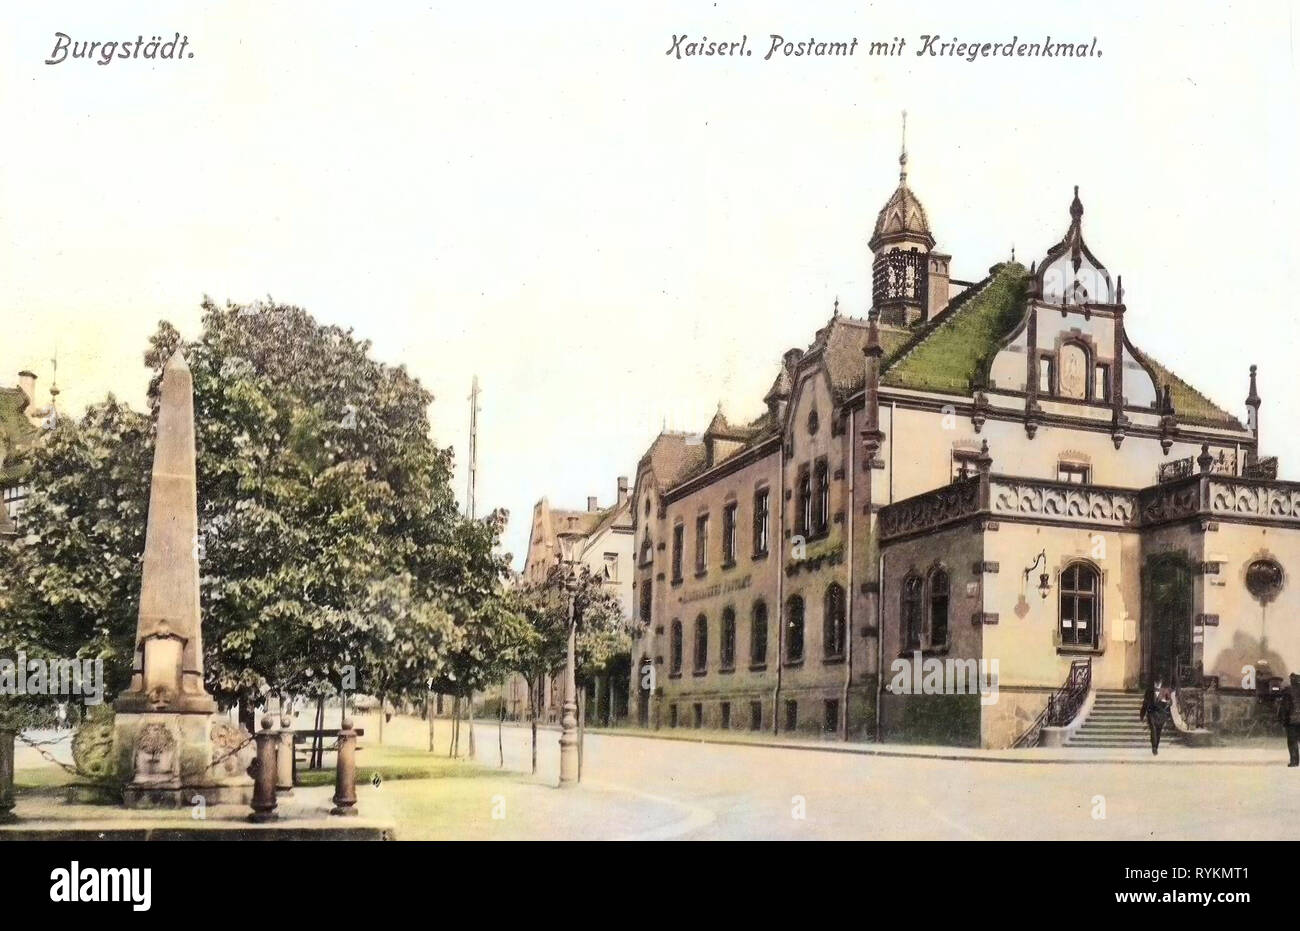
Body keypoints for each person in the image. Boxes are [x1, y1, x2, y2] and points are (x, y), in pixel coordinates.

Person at [1140, 678, 1173, 755]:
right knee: (1153, 729)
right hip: (1151, 713)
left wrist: (1167, 702)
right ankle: (1154, 747)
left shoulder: (1165, 690)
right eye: (1156, 682)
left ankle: (1155, 745)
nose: (1157, 684)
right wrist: (1142, 714)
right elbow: (1145, 703)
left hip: (1161, 714)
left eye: (1159, 682)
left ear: (1161, 682)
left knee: (1158, 731)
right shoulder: (1149, 690)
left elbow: (1170, 702)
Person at [1277, 673, 1300, 767]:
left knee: (1292, 741)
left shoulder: (1288, 691)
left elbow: (1285, 707)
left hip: (1292, 720)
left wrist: (1282, 719)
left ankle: (1294, 761)